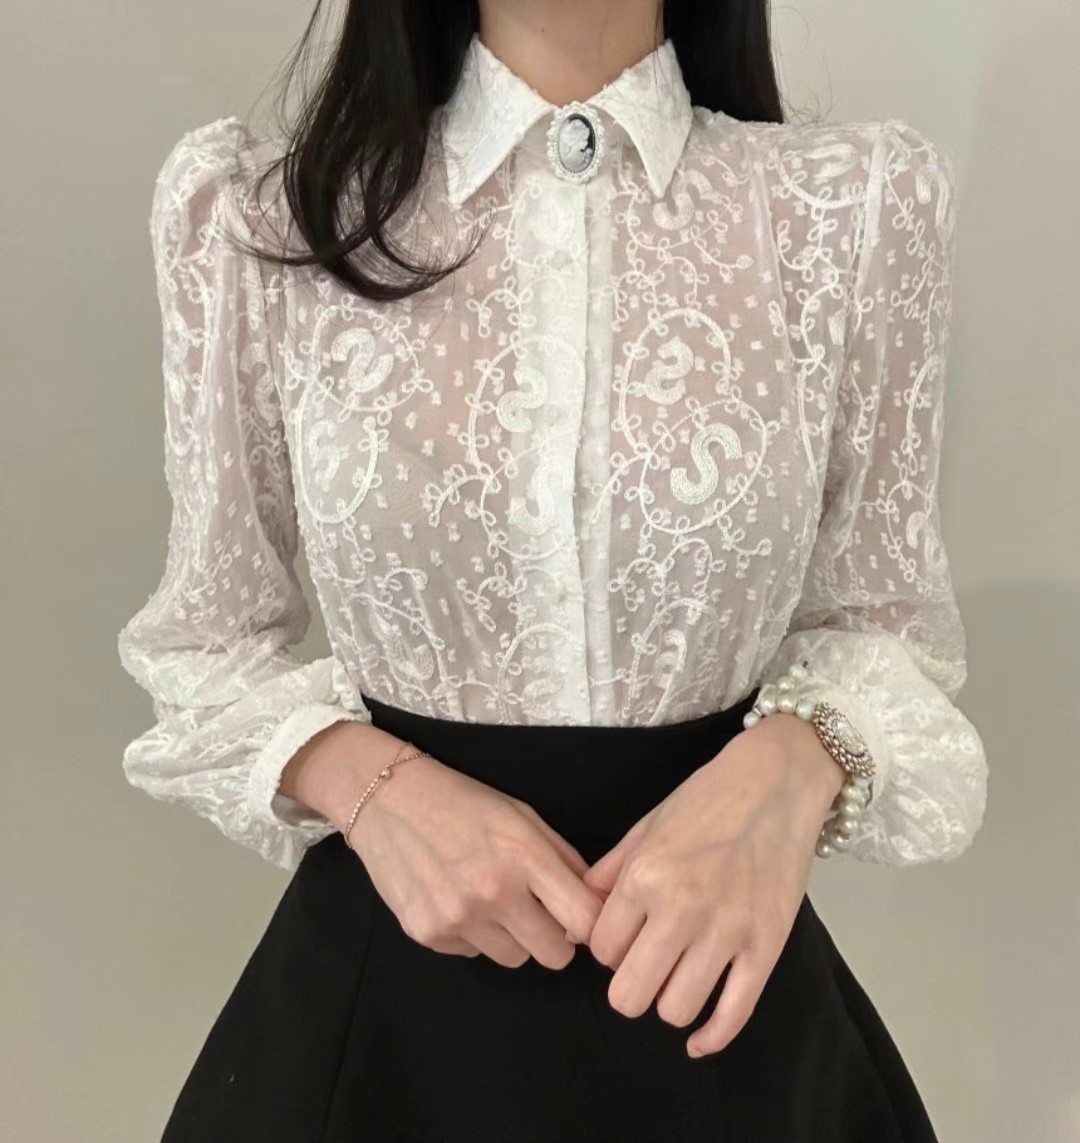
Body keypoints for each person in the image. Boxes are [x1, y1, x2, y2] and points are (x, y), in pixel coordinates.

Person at [116, 1, 989, 1139]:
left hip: (723, 1021)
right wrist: (368, 784)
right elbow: (204, 641)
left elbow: (888, 622)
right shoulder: (261, 220)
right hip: (385, 1028)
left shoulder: (850, 209)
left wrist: (793, 768)